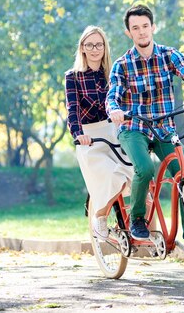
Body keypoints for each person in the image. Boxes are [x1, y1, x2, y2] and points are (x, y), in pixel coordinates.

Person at [106, 5, 184, 255]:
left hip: (164, 127)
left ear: (153, 27)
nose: (142, 32)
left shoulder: (169, 55)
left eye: (145, 26)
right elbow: (113, 95)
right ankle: (137, 220)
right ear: (129, 33)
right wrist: (114, 109)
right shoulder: (122, 65)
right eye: (136, 28)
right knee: (145, 168)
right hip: (134, 127)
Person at [65, 26, 134, 241]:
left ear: (105, 47)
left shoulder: (113, 73)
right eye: (89, 45)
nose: (95, 49)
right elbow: (72, 110)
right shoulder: (73, 77)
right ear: (82, 48)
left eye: (99, 44)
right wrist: (78, 134)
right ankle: (100, 215)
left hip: (113, 131)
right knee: (113, 177)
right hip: (90, 137)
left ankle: (138, 225)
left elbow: (124, 100)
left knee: (137, 174)